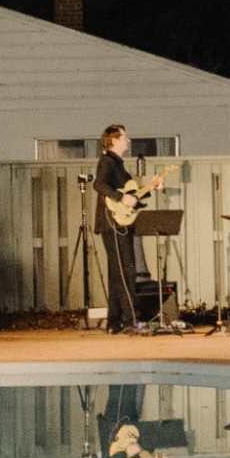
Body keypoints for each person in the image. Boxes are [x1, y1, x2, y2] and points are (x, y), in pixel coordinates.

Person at [93, 124, 151, 335]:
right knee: (126, 271)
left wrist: (151, 188)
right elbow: (99, 185)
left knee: (117, 273)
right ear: (114, 140)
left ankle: (114, 321)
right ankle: (131, 320)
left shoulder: (119, 165)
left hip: (119, 223)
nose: (129, 140)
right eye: (125, 137)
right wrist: (120, 197)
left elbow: (132, 195)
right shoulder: (107, 161)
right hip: (113, 223)